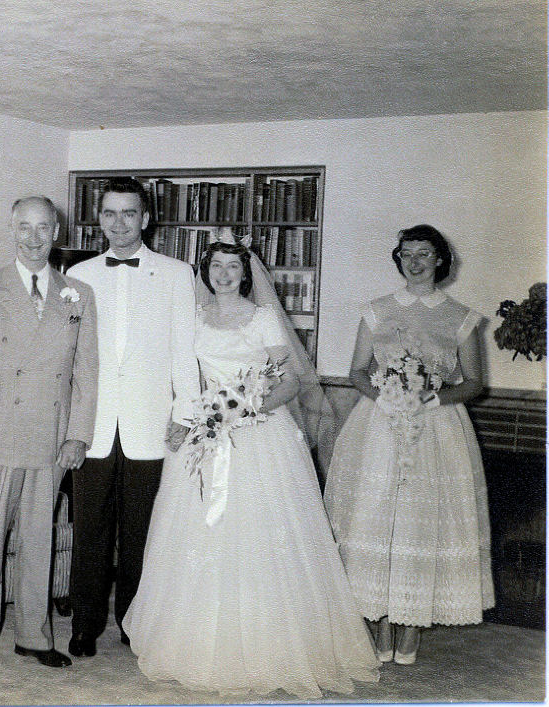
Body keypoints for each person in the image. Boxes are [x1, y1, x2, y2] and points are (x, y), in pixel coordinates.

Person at [123, 240, 379, 698]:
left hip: (258, 432)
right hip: (204, 431)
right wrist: (196, 417)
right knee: (197, 530)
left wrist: (246, 409)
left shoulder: (262, 318)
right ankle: (194, 641)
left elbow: (292, 381)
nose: (223, 274)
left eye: (233, 267)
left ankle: (270, 646)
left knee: (257, 532)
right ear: (206, 271)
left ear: (246, 274)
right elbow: (183, 375)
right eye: (216, 266)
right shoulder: (193, 316)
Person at [324, 224, 494, 665]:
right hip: (380, 424)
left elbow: (474, 382)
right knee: (377, 516)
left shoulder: (461, 316)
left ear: (440, 260)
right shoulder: (376, 311)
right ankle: (380, 618)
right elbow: (356, 372)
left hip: (436, 426)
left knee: (422, 520)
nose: (414, 262)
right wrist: (386, 397)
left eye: (423, 254)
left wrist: (430, 398)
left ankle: (412, 621)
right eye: (406, 254)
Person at [0, 196, 97, 672]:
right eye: (24, 228)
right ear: (11, 231)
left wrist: (77, 435)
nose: (34, 238)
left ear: (56, 230)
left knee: (39, 541)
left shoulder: (77, 293)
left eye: (42, 228)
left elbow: (86, 372)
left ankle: (33, 635)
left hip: (50, 437)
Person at [65, 177, 198, 657]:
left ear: (146, 218)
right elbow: (69, 355)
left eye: (129, 213)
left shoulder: (177, 273)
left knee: (143, 530)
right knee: (89, 530)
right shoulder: (77, 275)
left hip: (151, 422)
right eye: (110, 213)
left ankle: (134, 622)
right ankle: (84, 624)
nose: (119, 223)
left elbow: (185, 350)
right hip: (92, 425)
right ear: (99, 219)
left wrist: (186, 411)